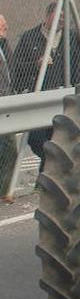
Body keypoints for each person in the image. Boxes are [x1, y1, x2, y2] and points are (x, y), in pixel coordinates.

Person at [11, 2, 80, 170]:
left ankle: (45, 178)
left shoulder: (72, 38)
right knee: (37, 139)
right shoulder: (29, 37)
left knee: (59, 140)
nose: (61, 20)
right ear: (48, 16)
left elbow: (78, 66)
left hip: (64, 97)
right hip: (38, 96)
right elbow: (16, 68)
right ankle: (50, 170)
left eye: (64, 17)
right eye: (58, 16)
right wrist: (36, 64)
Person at [0, 14, 15, 203]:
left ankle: (4, 190)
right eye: (2, 25)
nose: (5, 27)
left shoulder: (4, 47)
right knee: (9, 144)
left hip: (7, 99)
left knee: (9, 146)